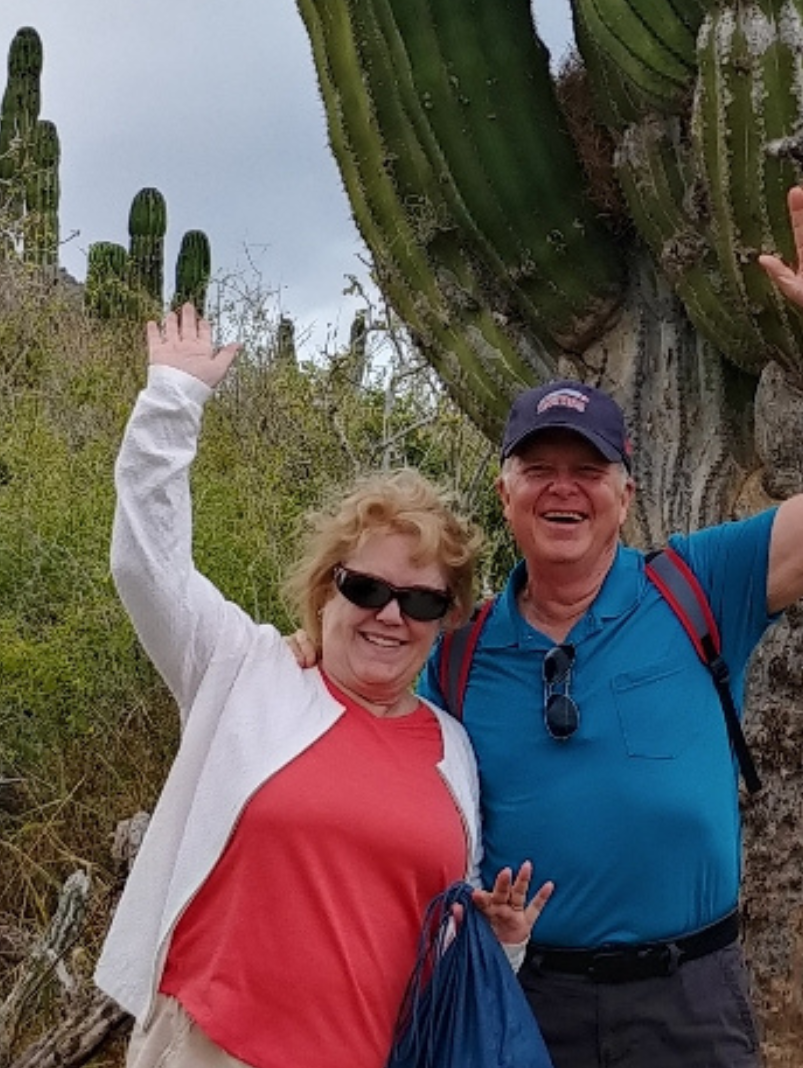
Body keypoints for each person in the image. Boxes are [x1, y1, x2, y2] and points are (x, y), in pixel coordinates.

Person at [300, 179, 803, 1066]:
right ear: (505, 495)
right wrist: (294, 657)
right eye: (538, 467)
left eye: (589, 468)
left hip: (688, 999)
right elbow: (354, 710)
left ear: (627, 491)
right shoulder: (452, 652)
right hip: (518, 994)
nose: (563, 487)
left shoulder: (699, 587)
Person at [96, 303, 552, 1068]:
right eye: (366, 589)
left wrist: (500, 943)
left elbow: (439, 928)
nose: (389, 616)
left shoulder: (451, 749)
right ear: (324, 589)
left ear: (447, 618)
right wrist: (171, 400)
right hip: (213, 1050)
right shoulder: (243, 670)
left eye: (421, 600)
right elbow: (146, 564)